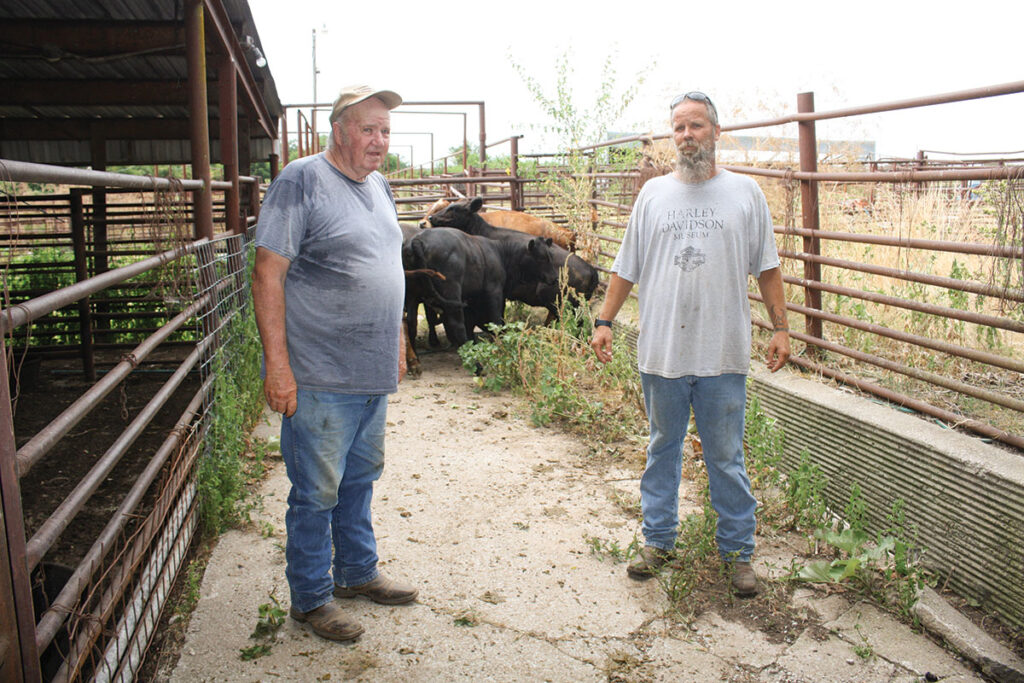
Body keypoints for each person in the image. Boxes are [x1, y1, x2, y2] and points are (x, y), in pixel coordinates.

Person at [590, 91, 791, 595]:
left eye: (696, 126)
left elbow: (768, 268)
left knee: (726, 456)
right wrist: (604, 319)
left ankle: (738, 554)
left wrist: (781, 327)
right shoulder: (653, 195)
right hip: (662, 352)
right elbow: (626, 266)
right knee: (662, 448)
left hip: (723, 352)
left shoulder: (746, 194)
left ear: (716, 132)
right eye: (678, 127)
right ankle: (658, 541)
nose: (686, 136)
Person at [252, 84, 418, 642]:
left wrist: (397, 336)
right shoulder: (301, 180)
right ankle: (311, 597)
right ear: (339, 129)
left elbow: (385, 266)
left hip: (369, 371)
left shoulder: (379, 187)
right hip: (319, 373)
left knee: (360, 480)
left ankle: (355, 572)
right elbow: (267, 273)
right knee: (316, 491)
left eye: (386, 131)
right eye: (369, 129)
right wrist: (279, 366)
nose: (379, 141)